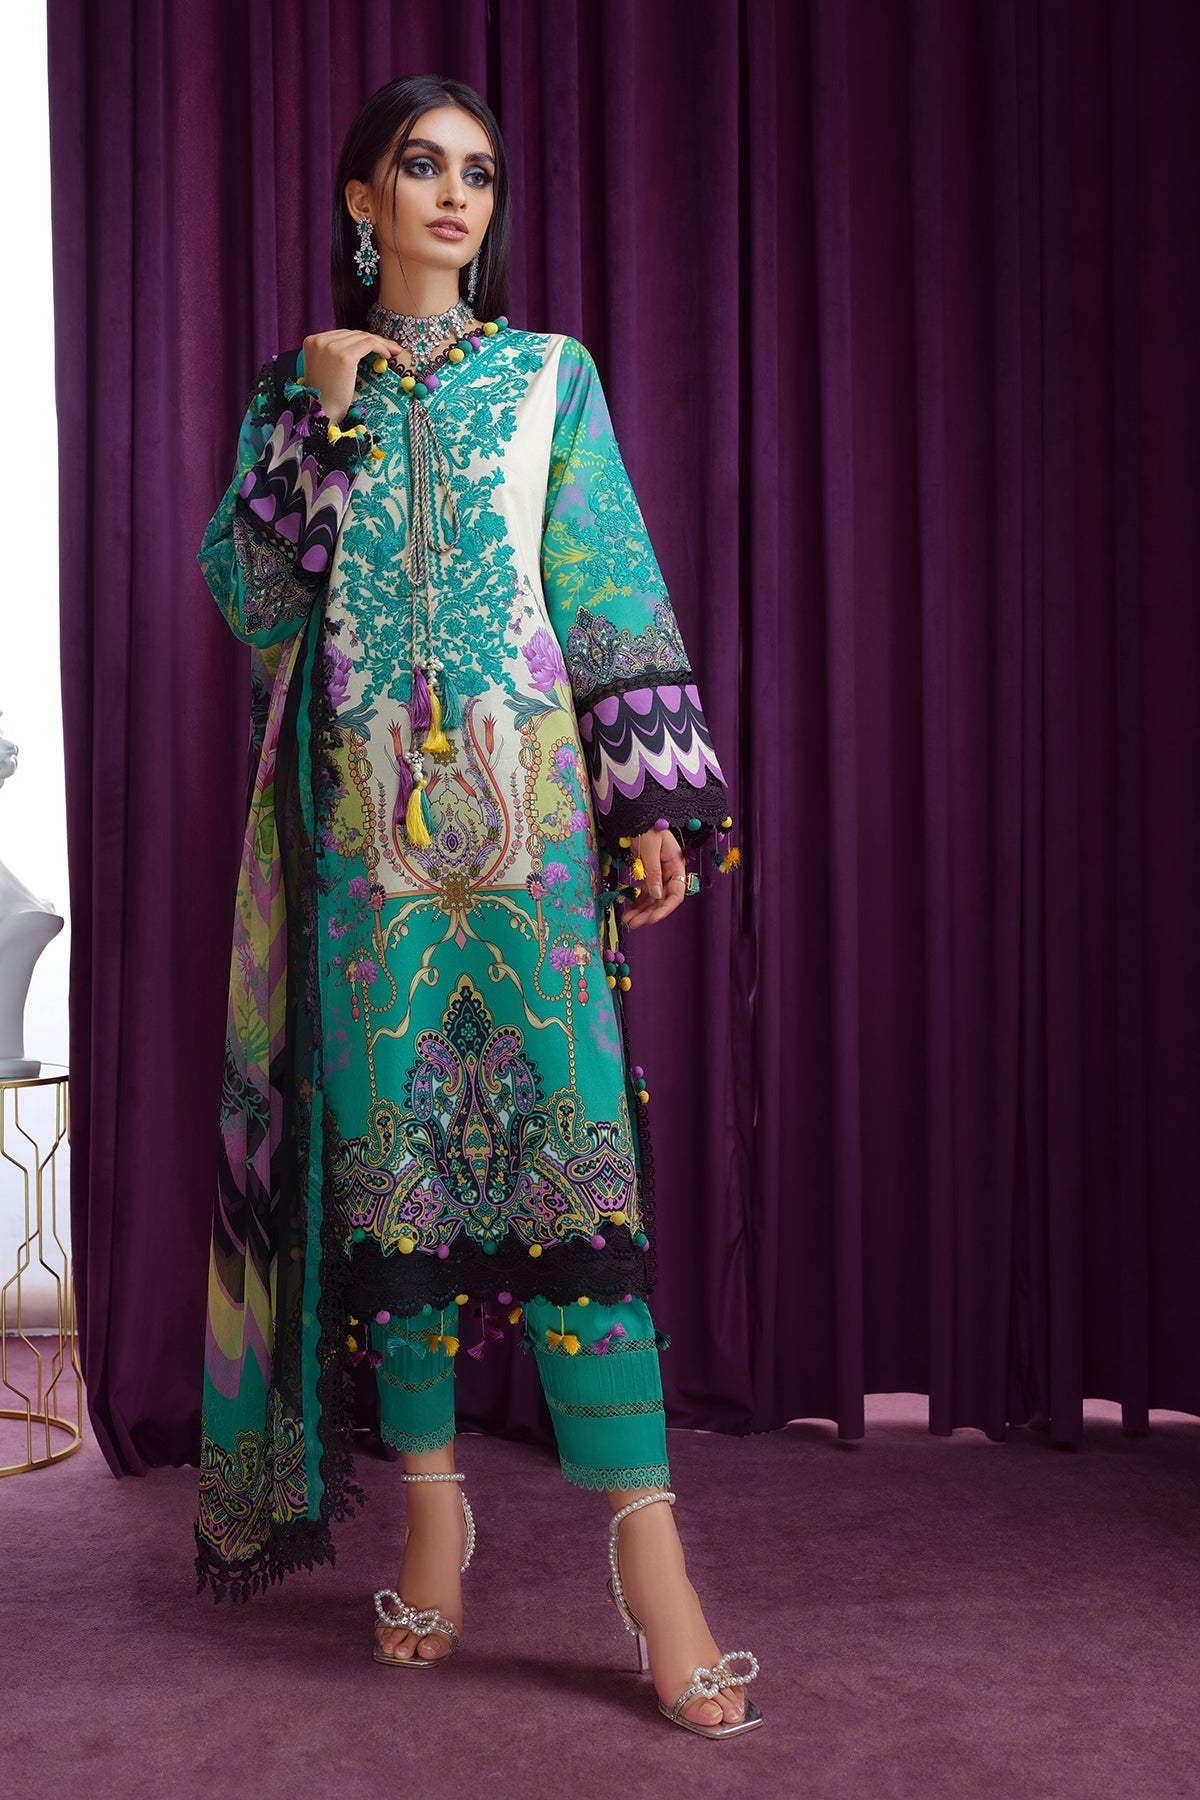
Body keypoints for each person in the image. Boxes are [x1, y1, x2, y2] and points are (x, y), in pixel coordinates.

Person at [193, 73, 760, 1740]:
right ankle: (432, 1524)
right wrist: (316, 422)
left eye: (481, 175)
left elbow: (604, 584)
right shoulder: (298, 391)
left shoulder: (546, 379)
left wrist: (653, 804)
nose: (457, 197)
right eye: (423, 167)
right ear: (362, 198)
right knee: (401, 1185)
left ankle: (651, 1560)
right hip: (366, 852)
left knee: (574, 1166)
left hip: (533, 837)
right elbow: (252, 601)